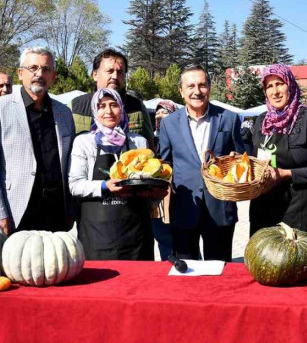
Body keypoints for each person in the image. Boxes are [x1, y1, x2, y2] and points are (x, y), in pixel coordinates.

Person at [0, 46, 76, 235]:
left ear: (53, 76)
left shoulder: (64, 113)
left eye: (46, 69)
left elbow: (69, 165)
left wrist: (71, 208)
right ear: (20, 73)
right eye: (33, 68)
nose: (39, 74)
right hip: (17, 211)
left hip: (56, 211)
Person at [157, 65, 244, 262]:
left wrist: (235, 161)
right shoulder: (168, 124)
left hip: (221, 207)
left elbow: (242, 157)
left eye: (202, 85)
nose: (197, 91)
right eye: (191, 86)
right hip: (184, 208)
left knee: (220, 270)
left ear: (209, 88)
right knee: (187, 272)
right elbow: (165, 163)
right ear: (181, 91)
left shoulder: (229, 119)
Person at [69, 88, 166, 259]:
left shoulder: (138, 141)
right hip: (97, 234)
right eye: (101, 106)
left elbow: (147, 180)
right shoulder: (84, 142)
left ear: (121, 108)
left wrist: (155, 193)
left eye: (114, 105)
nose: (108, 111)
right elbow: (75, 185)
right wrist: (104, 185)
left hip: (135, 233)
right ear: (94, 110)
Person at [248, 64, 307, 246]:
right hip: (263, 206)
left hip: (300, 209)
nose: (275, 91)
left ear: (291, 85)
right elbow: (254, 159)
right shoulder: (261, 121)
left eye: (280, 84)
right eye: (269, 86)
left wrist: (286, 173)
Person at [71, 49, 154, 146]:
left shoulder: (137, 106)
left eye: (120, 72)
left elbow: (150, 148)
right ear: (95, 75)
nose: (115, 76)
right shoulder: (76, 107)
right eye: (109, 71)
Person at [151, 100, 177, 260]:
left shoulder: (181, 136)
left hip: (177, 192)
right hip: (158, 196)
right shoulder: (152, 137)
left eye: (165, 112)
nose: (160, 116)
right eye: (158, 113)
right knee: (162, 237)